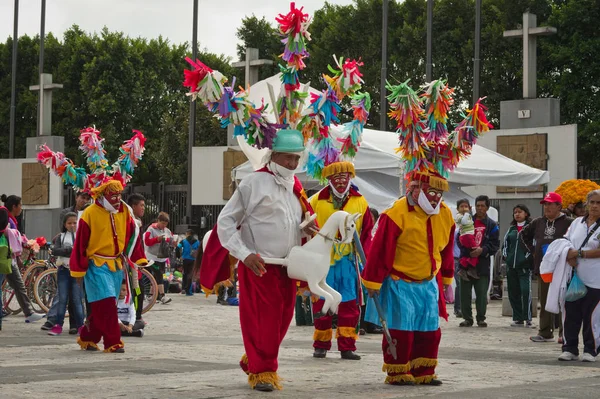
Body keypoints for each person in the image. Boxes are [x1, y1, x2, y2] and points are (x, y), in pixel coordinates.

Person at [203, 129, 316, 391]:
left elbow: (297, 222)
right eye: (287, 158)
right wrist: (245, 254)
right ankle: (263, 372)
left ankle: (254, 359)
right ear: (273, 155)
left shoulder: (296, 186)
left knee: (283, 320)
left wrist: (307, 228)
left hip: (289, 266)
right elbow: (226, 222)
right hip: (259, 265)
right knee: (263, 321)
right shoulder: (253, 183)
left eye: (296, 159)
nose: (292, 164)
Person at [362, 170, 455, 386]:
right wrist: (373, 282)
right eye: (431, 191)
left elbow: (447, 249)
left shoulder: (446, 214)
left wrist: (447, 278)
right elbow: (380, 250)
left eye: (439, 192)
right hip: (399, 282)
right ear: (415, 188)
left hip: (429, 282)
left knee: (430, 330)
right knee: (401, 331)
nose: (435, 197)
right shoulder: (395, 214)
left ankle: (424, 370)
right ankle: (398, 371)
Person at [70, 178, 148, 353]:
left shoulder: (124, 212)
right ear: (103, 195)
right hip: (95, 265)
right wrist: (78, 269)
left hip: (116, 265)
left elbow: (132, 236)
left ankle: (88, 338)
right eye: (113, 195)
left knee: (104, 306)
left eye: (119, 195)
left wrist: (138, 258)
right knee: (106, 304)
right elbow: (80, 243)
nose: (117, 199)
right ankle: (113, 342)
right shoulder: (89, 213)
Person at [310, 161, 374, 360]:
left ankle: (347, 345)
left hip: (347, 261)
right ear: (328, 180)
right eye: (335, 178)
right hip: (322, 261)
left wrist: (367, 262)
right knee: (322, 302)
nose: (340, 182)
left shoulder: (361, 202)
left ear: (350, 178)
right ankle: (321, 344)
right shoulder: (315, 201)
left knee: (349, 303)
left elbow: (366, 234)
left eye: (344, 178)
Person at [521, 192, 573, 343]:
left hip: (563, 267)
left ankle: (565, 334)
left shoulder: (569, 222)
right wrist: (533, 251)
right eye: (545, 204)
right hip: (544, 267)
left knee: (564, 301)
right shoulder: (538, 222)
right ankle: (545, 332)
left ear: (559, 206)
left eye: (550, 204)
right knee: (544, 300)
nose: (547, 207)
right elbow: (523, 235)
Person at [557, 189, 600, 362]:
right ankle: (570, 348)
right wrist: (568, 253)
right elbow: (565, 241)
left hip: (595, 278)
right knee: (571, 313)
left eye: (599, 203)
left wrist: (579, 254)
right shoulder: (576, 223)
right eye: (592, 202)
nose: (595, 206)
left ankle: (591, 349)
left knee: (592, 315)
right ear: (586, 204)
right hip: (574, 276)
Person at [0, 194, 45, 323]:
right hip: (4, 257)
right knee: (17, 286)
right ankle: (28, 312)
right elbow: (9, 237)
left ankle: (29, 312)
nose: (21, 208)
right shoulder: (6, 216)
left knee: (18, 286)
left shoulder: (11, 218)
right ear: (14, 206)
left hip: (9, 257)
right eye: (20, 205)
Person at [458, 195, 499, 328]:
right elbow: (459, 238)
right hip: (466, 262)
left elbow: (495, 245)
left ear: (487, 207)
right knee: (465, 293)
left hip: (481, 263)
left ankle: (481, 318)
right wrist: (467, 250)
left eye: (483, 206)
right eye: (478, 205)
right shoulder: (467, 220)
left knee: (481, 293)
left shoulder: (492, 225)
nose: (480, 208)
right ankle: (467, 318)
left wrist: (482, 250)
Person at [47, 212, 85, 336]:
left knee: (77, 299)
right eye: (69, 223)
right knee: (62, 299)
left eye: (75, 223)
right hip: (63, 271)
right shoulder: (61, 237)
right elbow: (55, 250)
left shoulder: (81, 236)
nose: (72, 225)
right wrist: (70, 250)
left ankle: (81, 325)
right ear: (64, 224)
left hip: (77, 272)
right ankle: (58, 324)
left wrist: (68, 251)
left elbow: (82, 251)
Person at [502, 204, 534, 327]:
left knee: (526, 291)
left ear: (526, 213)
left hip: (525, 267)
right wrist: (507, 257)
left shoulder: (530, 228)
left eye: (520, 212)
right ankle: (518, 317)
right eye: (515, 212)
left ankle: (528, 318)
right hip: (511, 267)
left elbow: (534, 245)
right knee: (513, 292)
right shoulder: (511, 229)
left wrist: (527, 258)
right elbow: (505, 245)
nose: (517, 214)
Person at [144, 212, 173, 305]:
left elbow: (171, 240)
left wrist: (172, 241)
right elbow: (147, 242)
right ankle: (162, 296)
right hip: (152, 257)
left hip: (162, 257)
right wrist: (157, 239)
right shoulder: (151, 229)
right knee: (159, 274)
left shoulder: (167, 231)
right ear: (158, 221)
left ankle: (151, 295)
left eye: (166, 224)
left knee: (156, 276)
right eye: (163, 223)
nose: (164, 226)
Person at [126, 193, 146, 330]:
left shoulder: (138, 222)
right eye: (142, 205)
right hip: (129, 262)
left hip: (137, 263)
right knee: (134, 290)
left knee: (138, 290)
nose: (144, 208)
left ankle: (137, 316)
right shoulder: (129, 222)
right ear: (133, 206)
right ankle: (134, 317)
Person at [454, 200, 479, 280]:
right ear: (457, 209)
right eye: (461, 207)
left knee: (467, 253)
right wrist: (467, 213)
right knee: (476, 251)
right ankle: (471, 268)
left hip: (469, 236)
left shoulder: (467, 216)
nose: (464, 208)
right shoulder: (459, 216)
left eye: (466, 206)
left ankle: (463, 268)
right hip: (466, 236)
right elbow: (464, 222)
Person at [177, 229, 200, 296]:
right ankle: (189, 291)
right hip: (193, 259)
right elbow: (199, 250)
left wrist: (179, 256)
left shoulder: (183, 241)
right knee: (190, 274)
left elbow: (177, 248)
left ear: (188, 233)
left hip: (185, 259)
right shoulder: (197, 242)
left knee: (185, 273)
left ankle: (183, 288)